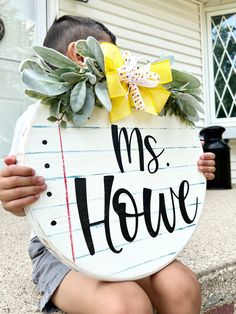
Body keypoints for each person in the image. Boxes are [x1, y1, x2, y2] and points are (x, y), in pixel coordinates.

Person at [0, 15, 216, 314]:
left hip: (130, 235)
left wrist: (190, 166)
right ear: (80, 55)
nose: (123, 67)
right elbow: (24, 199)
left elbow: (156, 165)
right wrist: (13, 195)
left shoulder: (130, 113)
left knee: (183, 286)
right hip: (62, 250)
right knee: (125, 304)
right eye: (114, 57)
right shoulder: (38, 124)